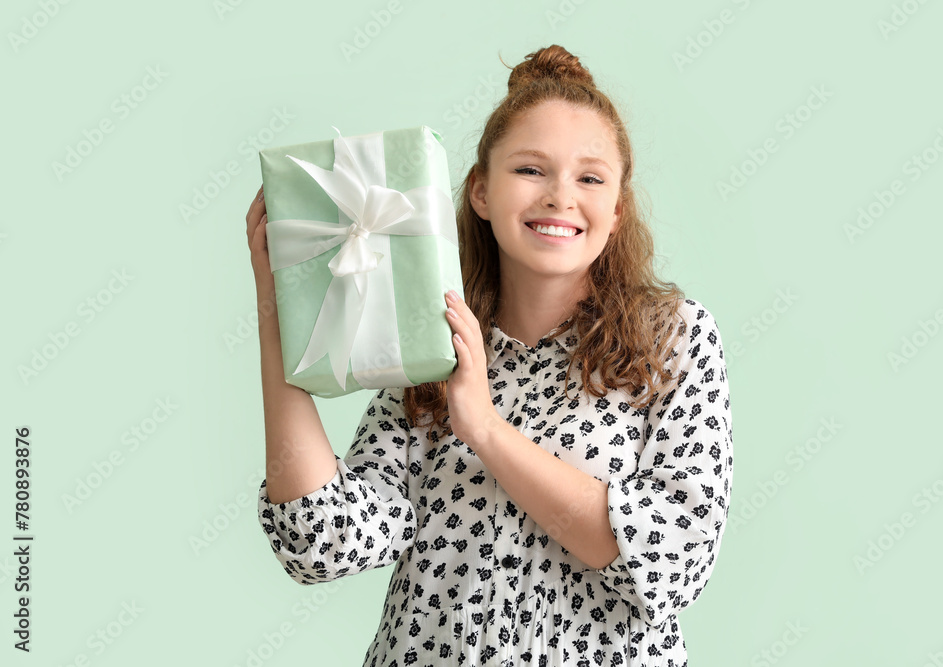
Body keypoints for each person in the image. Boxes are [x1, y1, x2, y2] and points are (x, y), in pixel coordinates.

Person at [246, 44, 734, 667]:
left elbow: (673, 561)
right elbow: (323, 544)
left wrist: (483, 428)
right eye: (530, 170)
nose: (560, 196)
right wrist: (279, 308)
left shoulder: (672, 339)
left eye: (589, 177)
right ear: (480, 191)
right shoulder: (431, 341)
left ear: (616, 209)